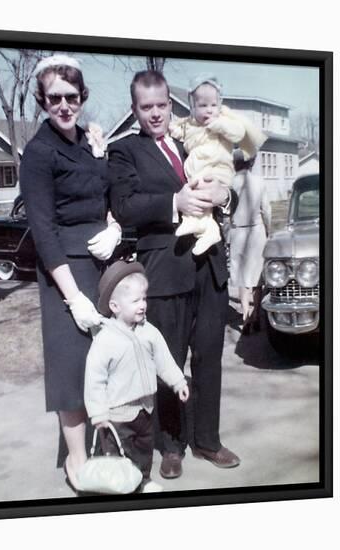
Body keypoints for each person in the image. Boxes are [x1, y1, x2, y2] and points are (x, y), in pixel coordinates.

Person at [108, 70, 240, 480]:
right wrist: (174, 200)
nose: (155, 114)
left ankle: (207, 440)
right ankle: (171, 445)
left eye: (161, 105)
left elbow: (223, 177)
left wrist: (226, 196)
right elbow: (125, 205)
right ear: (135, 110)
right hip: (165, 269)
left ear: (171, 104)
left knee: (209, 358)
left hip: (209, 265)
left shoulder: (193, 138)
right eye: (146, 107)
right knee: (167, 362)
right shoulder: (124, 151)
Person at [19, 54, 122, 491]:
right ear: (43, 100)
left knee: (106, 363)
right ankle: (76, 459)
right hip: (65, 272)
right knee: (72, 367)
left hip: (102, 264)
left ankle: (104, 447)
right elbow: (42, 230)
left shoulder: (90, 141)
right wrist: (73, 297)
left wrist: (115, 225)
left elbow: (106, 192)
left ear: (82, 98)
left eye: (71, 96)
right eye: (54, 97)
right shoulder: (40, 153)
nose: (64, 104)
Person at [84, 261, 189, 493]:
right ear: (115, 306)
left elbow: (164, 359)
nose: (143, 305)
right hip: (117, 414)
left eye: (144, 299)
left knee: (143, 448)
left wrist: (178, 381)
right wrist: (98, 412)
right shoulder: (105, 340)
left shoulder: (149, 331)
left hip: (145, 409)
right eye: (135, 301)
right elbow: (94, 379)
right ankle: (120, 489)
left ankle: (141, 481)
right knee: (120, 455)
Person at [169, 75, 267, 255]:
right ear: (193, 107)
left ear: (219, 105)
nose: (208, 111)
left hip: (217, 170)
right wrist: (172, 129)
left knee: (200, 193)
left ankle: (200, 224)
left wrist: (219, 124)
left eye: (213, 105)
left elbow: (238, 133)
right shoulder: (190, 124)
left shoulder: (222, 121)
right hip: (198, 170)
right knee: (196, 196)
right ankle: (207, 230)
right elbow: (180, 131)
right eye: (203, 106)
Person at [229, 150, 271, 334]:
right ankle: (256, 317)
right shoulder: (259, 182)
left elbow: (226, 214)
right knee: (256, 278)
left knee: (242, 278)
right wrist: (269, 231)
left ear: (235, 163)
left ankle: (245, 316)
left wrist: (227, 236)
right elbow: (267, 211)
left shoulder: (229, 183)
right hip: (256, 232)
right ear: (251, 163)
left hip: (237, 232)